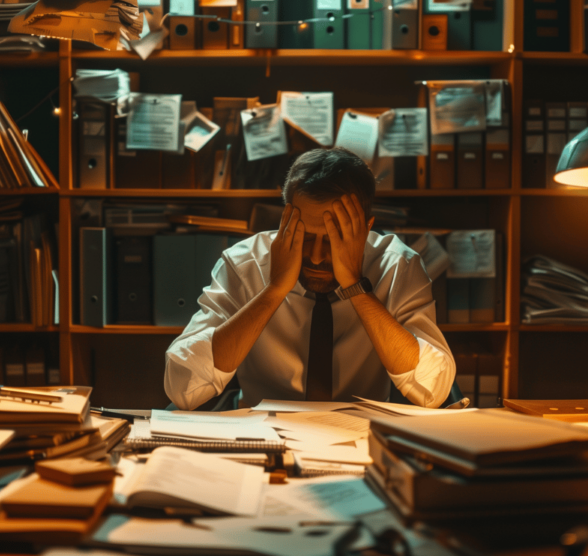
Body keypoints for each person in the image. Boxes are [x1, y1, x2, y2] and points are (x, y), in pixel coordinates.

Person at [164, 148, 455, 410]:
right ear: (285, 222)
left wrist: (356, 287)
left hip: (360, 437)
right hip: (262, 434)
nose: (316, 257)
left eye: (333, 238)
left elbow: (433, 392)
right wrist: (274, 289)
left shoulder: (397, 265)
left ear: (365, 230)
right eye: (305, 235)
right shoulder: (244, 264)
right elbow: (182, 387)